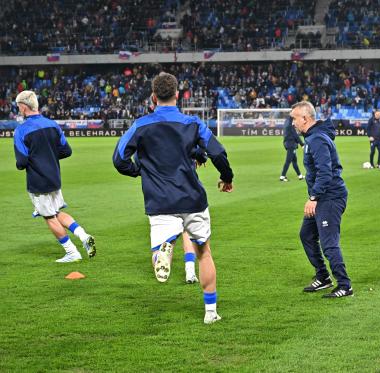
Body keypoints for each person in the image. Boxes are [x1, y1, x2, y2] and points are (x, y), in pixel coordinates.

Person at [113, 72, 234, 324]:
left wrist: (139, 170)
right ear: (178, 95)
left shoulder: (141, 125)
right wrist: (227, 177)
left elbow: (119, 158)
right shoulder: (193, 123)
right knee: (204, 252)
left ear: (153, 97)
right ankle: (210, 312)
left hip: (160, 200)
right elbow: (218, 151)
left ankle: (164, 251)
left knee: (158, 252)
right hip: (192, 198)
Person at [13, 90, 96, 263]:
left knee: (49, 217)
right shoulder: (52, 124)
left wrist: (36, 159)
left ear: (23, 107)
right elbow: (66, 150)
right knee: (57, 212)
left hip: (38, 181)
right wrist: (48, 156)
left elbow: (21, 162)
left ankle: (72, 252)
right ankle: (83, 235)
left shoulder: (21, 131)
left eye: (18, 106)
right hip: (54, 178)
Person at [290, 101, 353, 298]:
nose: (292, 123)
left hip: (330, 197)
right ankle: (323, 277)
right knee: (306, 235)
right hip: (323, 197)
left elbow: (325, 173)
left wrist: (313, 197)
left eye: (294, 119)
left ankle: (344, 285)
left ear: (305, 118)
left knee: (329, 243)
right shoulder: (312, 138)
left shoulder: (316, 139)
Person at [280, 116, 305, 182]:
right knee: (288, 161)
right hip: (291, 145)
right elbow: (296, 136)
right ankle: (282, 176)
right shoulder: (291, 127)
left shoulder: (286, 124)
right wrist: (302, 144)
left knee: (294, 161)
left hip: (288, 144)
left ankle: (300, 176)